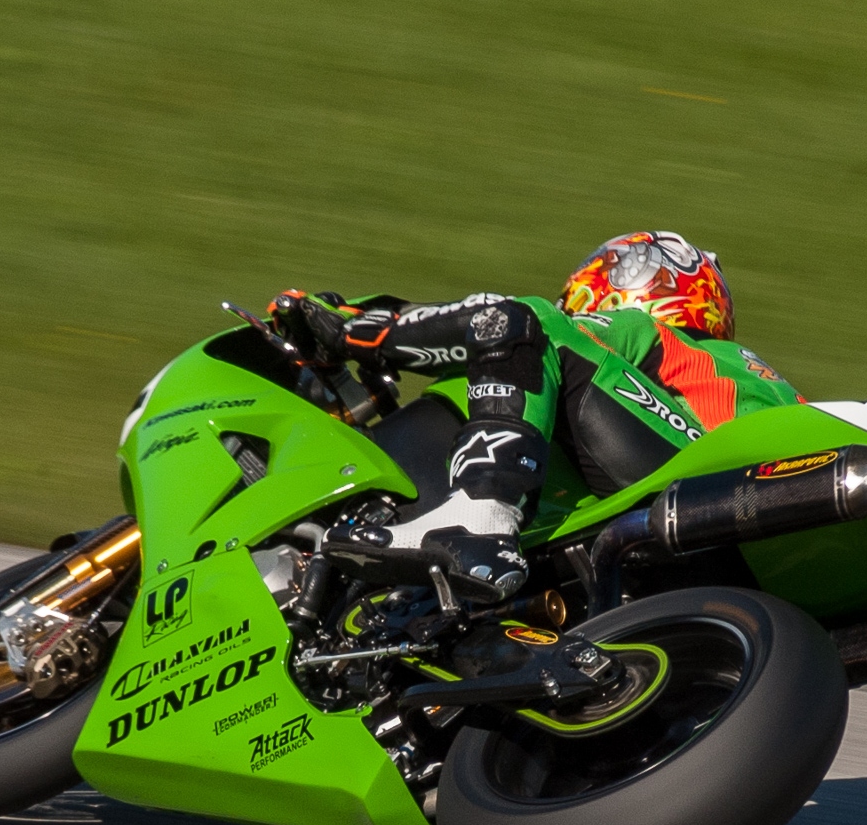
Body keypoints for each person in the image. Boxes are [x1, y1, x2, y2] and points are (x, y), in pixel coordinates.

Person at [286, 231, 804, 598]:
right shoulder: (746, 376)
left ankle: (482, 515)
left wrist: (355, 334)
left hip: (698, 477)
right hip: (763, 523)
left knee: (522, 320)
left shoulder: (653, 336)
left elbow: (514, 322)